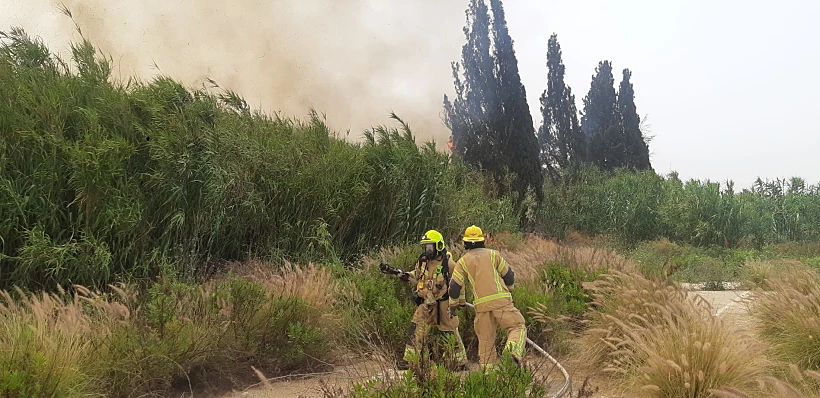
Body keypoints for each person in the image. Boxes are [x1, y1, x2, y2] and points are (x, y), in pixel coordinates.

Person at [381, 229, 468, 371]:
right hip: (426, 304)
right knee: (416, 328)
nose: (427, 250)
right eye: (425, 246)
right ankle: (410, 360)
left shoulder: (449, 264)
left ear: (438, 246)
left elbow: (459, 282)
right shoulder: (423, 262)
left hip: (443, 305)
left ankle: (459, 362)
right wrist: (399, 274)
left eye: (429, 246)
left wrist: (458, 301)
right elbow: (417, 276)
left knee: (450, 331)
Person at [448, 225, 527, 370]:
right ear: (482, 240)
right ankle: (511, 353)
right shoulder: (493, 254)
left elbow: (454, 287)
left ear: (465, 242)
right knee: (517, 327)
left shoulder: (462, 262)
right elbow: (509, 275)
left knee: (485, 344)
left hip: (481, 307)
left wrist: (453, 306)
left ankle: (488, 378)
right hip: (501, 302)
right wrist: (510, 290)